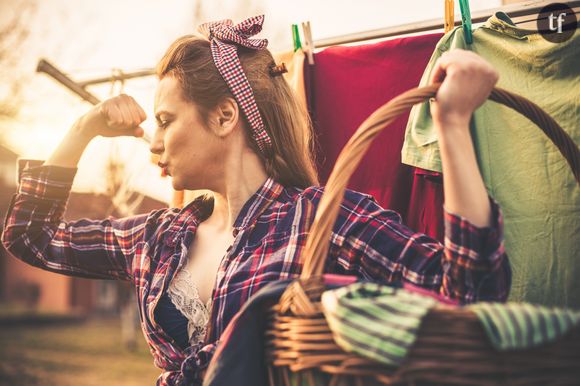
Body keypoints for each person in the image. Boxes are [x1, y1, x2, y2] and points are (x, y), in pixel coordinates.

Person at [2, 15, 510, 386]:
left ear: (225, 118)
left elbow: (469, 296)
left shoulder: (326, 218)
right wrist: (81, 131)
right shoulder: (158, 237)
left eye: (165, 120)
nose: (152, 143)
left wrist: (452, 125)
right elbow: (30, 238)